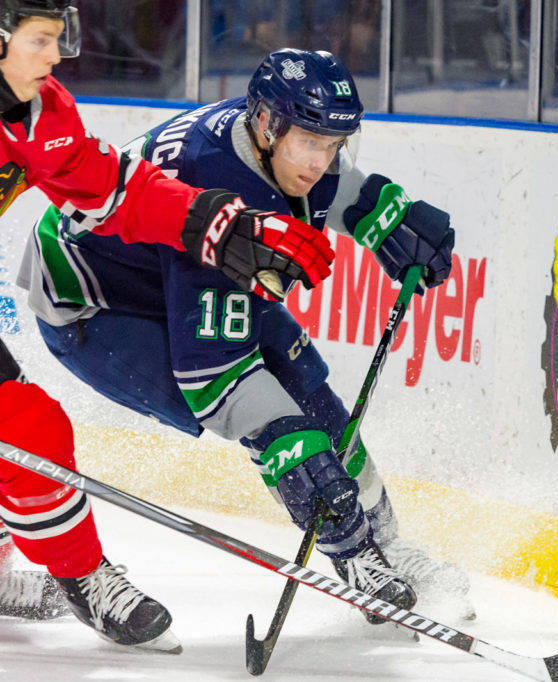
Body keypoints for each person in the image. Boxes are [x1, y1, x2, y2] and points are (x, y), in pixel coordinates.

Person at [19, 47, 470, 631]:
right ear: (266, 125)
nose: (320, 161)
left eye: (333, 144)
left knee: (309, 391)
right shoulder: (219, 181)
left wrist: (383, 210)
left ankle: (388, 544)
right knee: (280, 428)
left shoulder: (269, 131)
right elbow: (215, 379)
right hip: (97, 306)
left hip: (169, 266)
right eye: (310, 143)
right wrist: (300, 464)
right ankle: (356, 555)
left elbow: (332, 185)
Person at [0, 1, 339, 652]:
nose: (56, 56)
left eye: (57, 38)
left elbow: (110, 191)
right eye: (40, 41)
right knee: (25, 432)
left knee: (24, 437)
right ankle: (84, 576)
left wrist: (213, 224)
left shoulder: (42, 113)